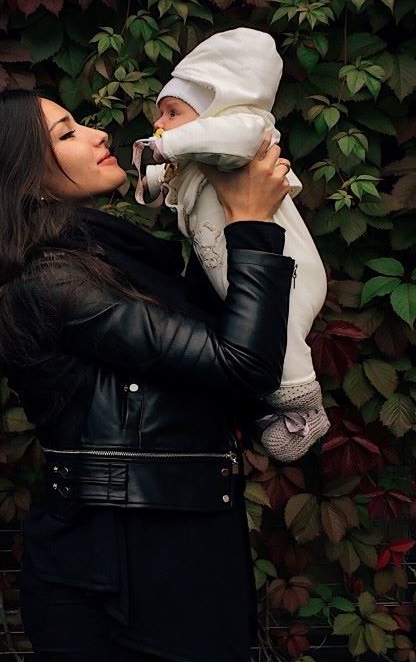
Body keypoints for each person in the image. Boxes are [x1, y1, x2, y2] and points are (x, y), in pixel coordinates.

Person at [0, 90, 295, 661]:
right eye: (66, 134)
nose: (98, 134)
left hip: (176, 551)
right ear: (19, 176)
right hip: (126, 572)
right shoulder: (51, 283)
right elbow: (244, 365)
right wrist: (252, 223)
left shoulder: (109, 258)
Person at [132, 27, 330, 462]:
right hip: (238, 266)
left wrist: (167, 145)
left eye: (172, 112)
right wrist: (153, 177)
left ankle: (303, 409)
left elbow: (231, 138)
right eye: (160, 115)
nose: (160, 124)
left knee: (283, 336)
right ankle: (268, 407)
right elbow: (175, 177)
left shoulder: (245, 132)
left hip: (286, 268)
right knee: (255, 336)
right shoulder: (201, 158)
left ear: (217, 109)